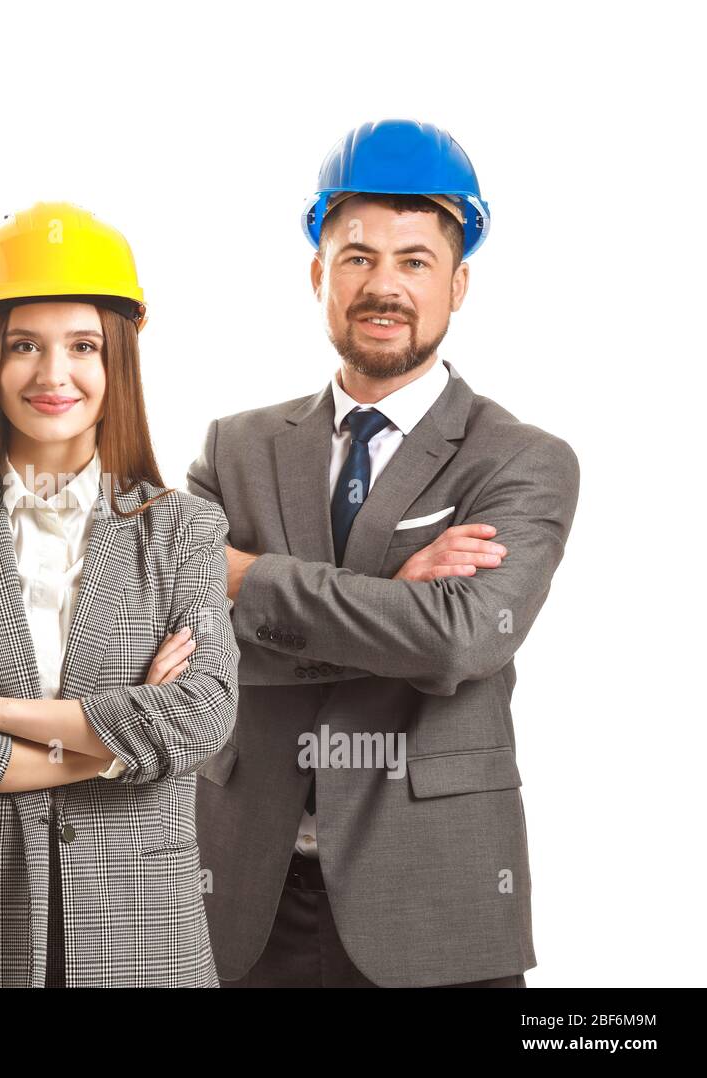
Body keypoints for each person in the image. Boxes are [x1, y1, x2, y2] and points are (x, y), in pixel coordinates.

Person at [189, 119, 581, 988]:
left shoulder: (521, 460)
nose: (384, 285)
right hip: (245, 897)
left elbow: (458, 642)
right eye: (358, 255)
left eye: (414, 260)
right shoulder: (235, 449)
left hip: (436, 900)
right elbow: (174, 642)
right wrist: (388, 604)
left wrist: (246, 579)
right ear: (318, 272)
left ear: (459, 284)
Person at [0, 202, 240, 987]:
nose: (53, 374)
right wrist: (120, 745)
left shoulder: (185, 529)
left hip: (144, 939)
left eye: (83, 346)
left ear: (118, 361)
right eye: (25, 345)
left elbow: (202, 717)